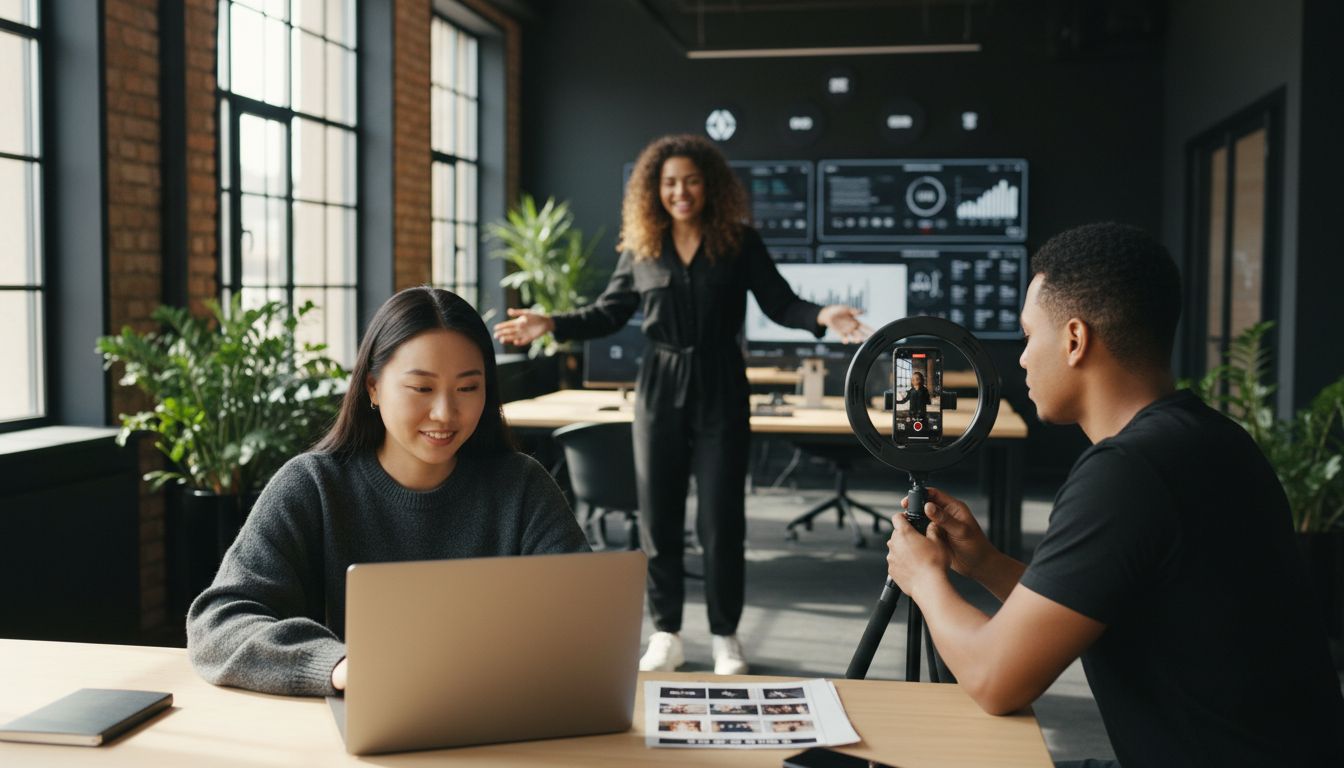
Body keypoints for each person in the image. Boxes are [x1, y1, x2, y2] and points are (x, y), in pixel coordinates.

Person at [883, 222, 1344, 767]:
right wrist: (983, 564)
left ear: (1075, 340)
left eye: (1031, 336)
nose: (1024, 358)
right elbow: (1104, 609)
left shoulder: (1127, 473)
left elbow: (994, 679)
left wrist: (923, 577)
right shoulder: (1209, 438)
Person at [494, 134, 869, 675]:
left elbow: (781, 303)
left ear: (709, 184)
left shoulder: (738, 242)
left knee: (722, 517)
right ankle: (666, 632)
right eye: (669, 182)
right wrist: (549, 322)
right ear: (655, 190)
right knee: (659, 516)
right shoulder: (643, 248)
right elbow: (607, 313)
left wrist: (821, 317)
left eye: (691, 180)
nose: (681, 191)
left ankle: (726, 637)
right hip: (660, 383)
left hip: (721, 381)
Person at [188, 286, 589, 696]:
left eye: (468, 388)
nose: (445, 413)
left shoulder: (521, 486)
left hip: (501, 722)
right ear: (373, 388)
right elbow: (219, 624)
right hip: (353, 731)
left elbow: (587, 613)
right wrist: (337, 665)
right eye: (421, 388)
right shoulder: (313, 486)